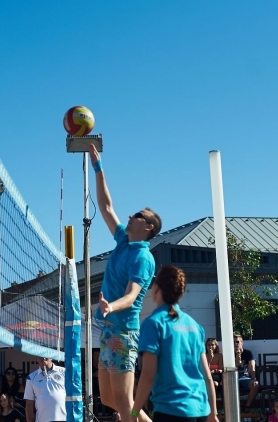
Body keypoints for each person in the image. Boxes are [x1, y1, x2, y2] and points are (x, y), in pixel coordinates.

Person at [88, 144, 160, 422]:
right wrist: (98, 167)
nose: (131, 216)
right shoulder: (122, 240)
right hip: (108, 330)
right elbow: (105, 206)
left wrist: (110, 306)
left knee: (124, 402)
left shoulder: (143, 258)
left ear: (148, 227)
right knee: (108, 398)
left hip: (123, 332)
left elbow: (132, 296)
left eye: (138, 215)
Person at [131, 265, 218, 422]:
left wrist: (135, 412)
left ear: (156, 288)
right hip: (201, 409)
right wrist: (213, 413)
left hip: (171, 409)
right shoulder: (195, 326)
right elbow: (207, 376)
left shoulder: (153, 323)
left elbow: (148, 375)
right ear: (181, 293)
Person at [24, 357, 66, 422]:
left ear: (51, 357)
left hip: (64, 419)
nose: (43, 357)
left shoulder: (64, 372)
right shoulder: (31, 377)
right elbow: (29, 403)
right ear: (36, 359)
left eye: (46, 354)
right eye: (40, 355)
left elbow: (73, 396)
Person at [234, 334, 260, 409]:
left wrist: (253, 379)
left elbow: (252, 367)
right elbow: (231, 368)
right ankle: (237, 406)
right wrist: (236, 360)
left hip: (244, 377)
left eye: (237, 342)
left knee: (255, 385)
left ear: (242, 342)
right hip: (233, 377)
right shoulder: (229, 354)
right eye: (234, 342)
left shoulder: (248, 353)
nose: (235, 344)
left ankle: (247, 406)